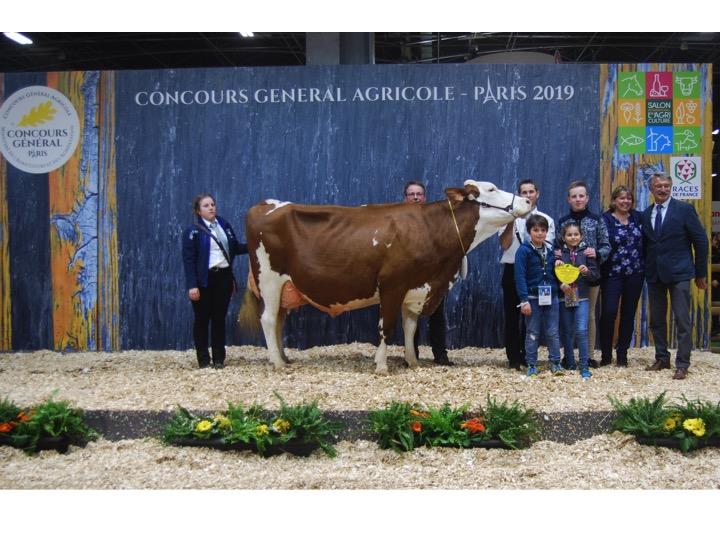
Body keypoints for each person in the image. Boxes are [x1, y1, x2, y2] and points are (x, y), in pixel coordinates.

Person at [643, 173, 708, 380]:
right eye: (658, 186)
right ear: (651, 189)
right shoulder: (646, 214)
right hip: (655, 274)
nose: (662, 189)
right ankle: (662, 358)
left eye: (666, 186)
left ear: (671, 187)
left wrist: (700, 273)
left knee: (682, 319)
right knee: (657, 320)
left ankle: (682, 363)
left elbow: (701, 242)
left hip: (680, 273)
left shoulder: (684, 210)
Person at [182, 193, 248, 369]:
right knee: (202, 319)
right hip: (205, 279)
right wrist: (192, 285)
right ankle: (203, 360)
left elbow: (235, 247)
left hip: (223, 277)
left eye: (212, 204)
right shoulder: (192, 232)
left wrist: (255, 244)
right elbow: (189, 261)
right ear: (198, 211)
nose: (211, 207)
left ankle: (219, 359)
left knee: (219, 319)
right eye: (206, 205)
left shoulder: (224, 225)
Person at [498, 179, 555, 370]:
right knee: (512, 316)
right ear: (519, 194)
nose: (528, 195)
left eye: (531, 191)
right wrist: (510, 222)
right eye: (524, 192)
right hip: (511, 269)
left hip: (535, 272)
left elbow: (549, 247)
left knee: (532, 316)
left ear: (537, 194)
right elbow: (504, 245)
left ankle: (527, 355)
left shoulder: (546, 219)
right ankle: (513, 358)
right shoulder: (506, 218)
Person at [556, 180, 611, 368]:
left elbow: (606, 245)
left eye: (581, 196)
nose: (578, 199)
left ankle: (587, 356)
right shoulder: (563, 222)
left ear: (587, 198)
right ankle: (569, 356)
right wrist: (557, 255)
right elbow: (557, 246)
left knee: (588, 317)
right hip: (568, 280)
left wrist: (597, 253)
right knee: (569, 316)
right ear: (568, 199)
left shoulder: (597, 220)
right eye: (574, 196)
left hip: (589, 278)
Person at [402, 181, 452, 366]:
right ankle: (411, 354)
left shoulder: (436, 219)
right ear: (405, 198)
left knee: (437, 315)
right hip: (409, 274)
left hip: (433, 275)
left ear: (425, 197)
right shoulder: (399, 220)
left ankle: (440, 355)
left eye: (419, 194)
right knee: (409, 315)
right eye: (411, 194)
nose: (415, 197)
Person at [599, 186, 644, 367]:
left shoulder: (639, 218)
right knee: (609, 313)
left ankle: (622, 354)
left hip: (635, 273)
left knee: (628, 314)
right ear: (614, 200)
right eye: (622, 198)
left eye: (629, 199)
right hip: (612, 274)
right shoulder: (605, 219)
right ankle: (606, 355)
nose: (625, 201)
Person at [514, 214, 564, 377]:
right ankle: (531, 364)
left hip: (552, 297)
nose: (540, 233)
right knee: (533, 332)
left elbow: (556, 273)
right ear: (529, 231)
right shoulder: (523, 251)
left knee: (552, 332)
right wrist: (524, 300)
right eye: (536, 230)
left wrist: (560, 274)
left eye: (543, 230)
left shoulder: (552, 251)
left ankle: (556, 362)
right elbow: (520, 277)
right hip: (533, 298)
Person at [555, 221, 600, 379]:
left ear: (581, 236)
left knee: (581, 330)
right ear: (563, 237)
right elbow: (552, 275)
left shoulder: (586, 253)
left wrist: (587, 271)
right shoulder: (559, 254)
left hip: (582, 297)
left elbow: (596, 276)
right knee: (567, 331)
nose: (573, 237)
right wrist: (560, 283)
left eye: (576, 234)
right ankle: (569, 361)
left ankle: (584, 364)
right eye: (569, 234)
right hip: (565, 297)